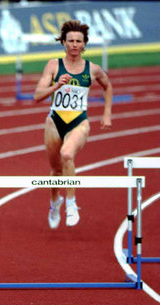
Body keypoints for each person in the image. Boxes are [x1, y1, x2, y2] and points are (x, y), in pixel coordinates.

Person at [34, 20, 112, 229]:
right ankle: (54, 203)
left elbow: (107, 85)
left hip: (79, 121)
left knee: (67, 154)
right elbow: (37, 96)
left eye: (79, 41)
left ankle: (71, 203)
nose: (75, 44)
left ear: (84, 44)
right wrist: (56, 86)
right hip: (54, 121)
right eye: (71, 41)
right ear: (64, 43)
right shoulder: (53, 65)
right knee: (55, 171)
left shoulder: (92, 69)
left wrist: (106, 113)